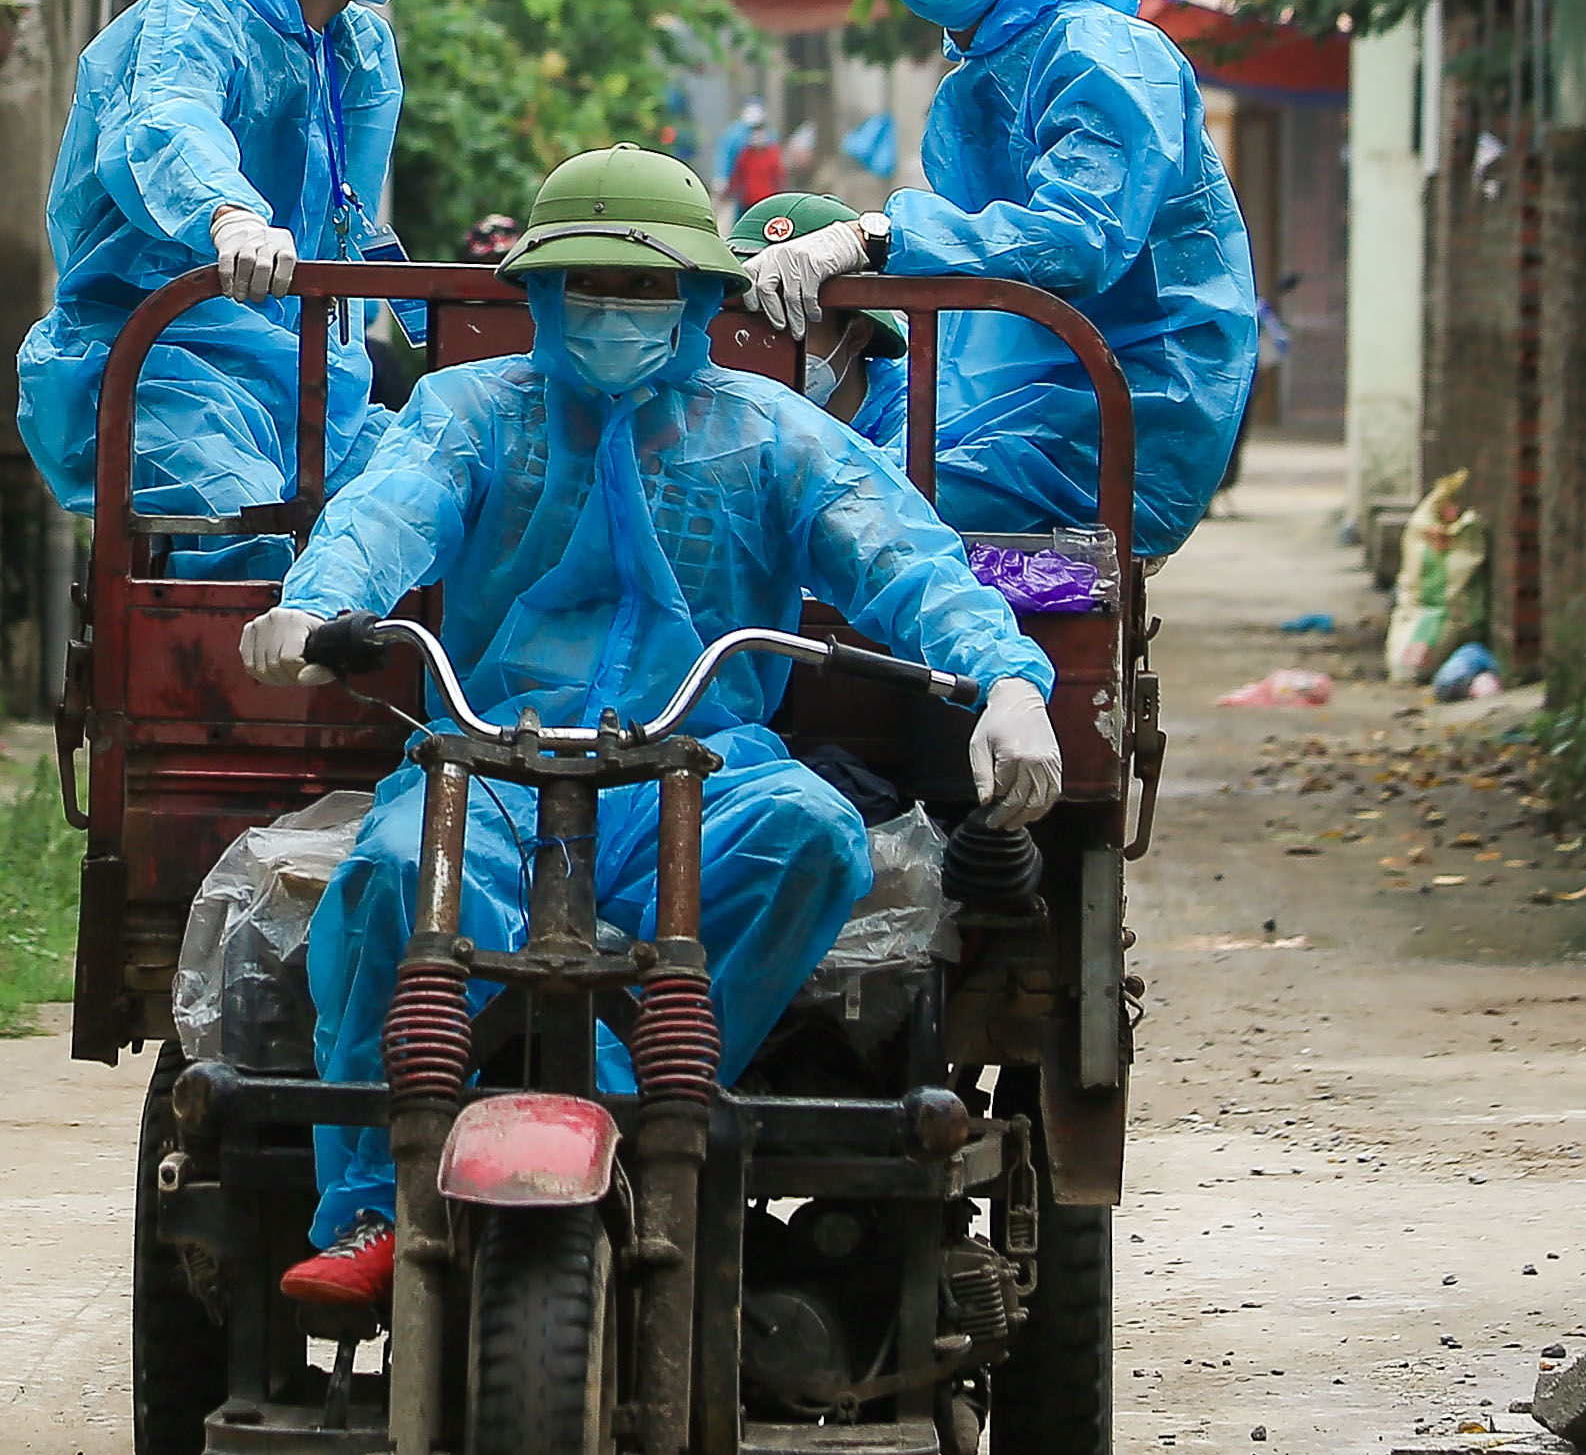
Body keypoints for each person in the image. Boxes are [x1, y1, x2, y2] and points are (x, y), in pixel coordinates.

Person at [240, 146, 1061, 1310]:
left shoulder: (772, 433)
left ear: (695, 298)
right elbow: (392, 508)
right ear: (537, 291)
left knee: (812, 834)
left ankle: (633, 1110)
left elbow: (903, 558)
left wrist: (1007, 677)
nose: (615, 310)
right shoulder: (469, 409)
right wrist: (320, 602)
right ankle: (378, 1196)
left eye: (643, 288)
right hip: (489, 762)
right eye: (587, 283)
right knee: (388, 879)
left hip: (704, 769)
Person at [739, 0, 1258, 559]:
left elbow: (1077, 240)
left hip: (1110, 416)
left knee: (814, 511)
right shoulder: (988, 70)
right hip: (1014, 395)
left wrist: (872, 237)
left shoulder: (1099, 50)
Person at [14, 0, 464, 573]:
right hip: (169, 378)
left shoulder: (357, 53)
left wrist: (466, 334)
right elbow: (165, 123)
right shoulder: (192, 25)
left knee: (444, 523)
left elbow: (347, 222)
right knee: (251, 555)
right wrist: (230, 213)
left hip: (317, 390)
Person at [729, 189, 905, 449]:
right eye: (745, 325)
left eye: (785, 319)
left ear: (856, 335)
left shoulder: (918, 426)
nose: (761, 344)